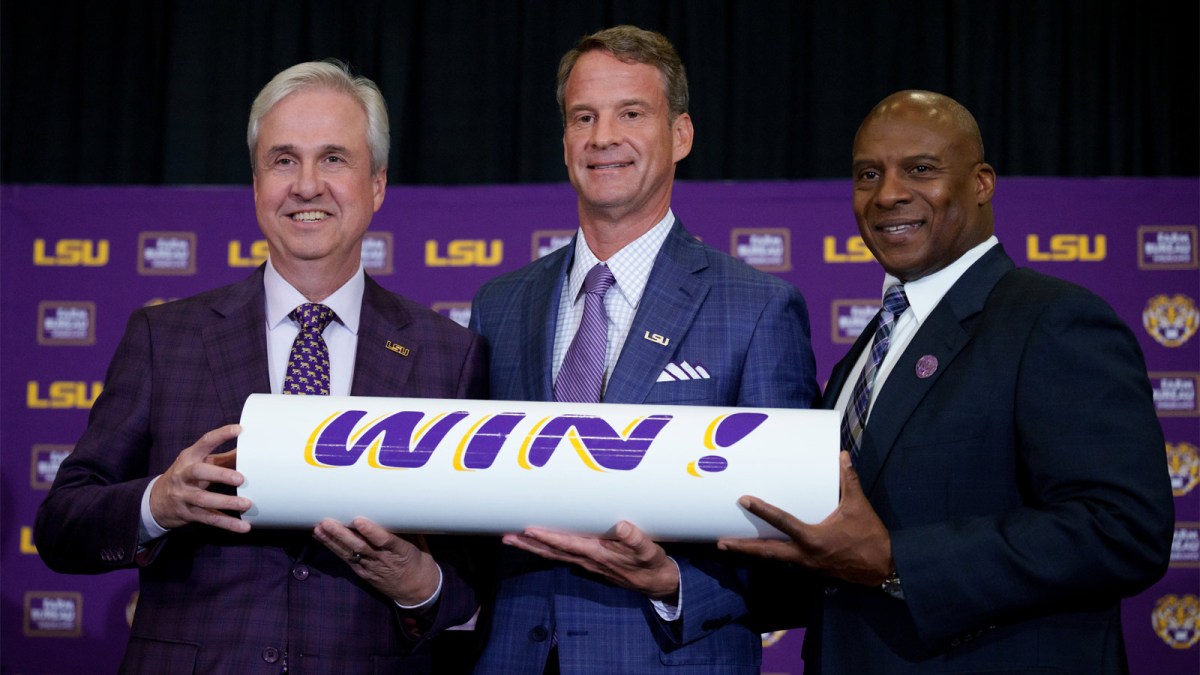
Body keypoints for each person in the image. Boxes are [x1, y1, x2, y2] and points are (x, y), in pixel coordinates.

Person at [35, 60, 488, 674]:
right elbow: (62, 527)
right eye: (283, 160)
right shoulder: (163, 337)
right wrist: (158, 502)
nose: (306, 185)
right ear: (255, 185)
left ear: (377, 185)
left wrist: (419, 582)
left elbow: (480, 589)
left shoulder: (448, 354)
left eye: (334, 159)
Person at [719, 90, 1174, 672]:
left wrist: (896, 562)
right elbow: (832, 562)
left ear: (981, 182)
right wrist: (674, 584)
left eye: (921, 169)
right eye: (868, 174)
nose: (887, 194)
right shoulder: (865, 352)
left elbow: (1123, 529)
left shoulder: (1052, 320)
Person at [467, 25, 819, 674]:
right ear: (566, 137)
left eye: (631, 113)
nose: (603, 137)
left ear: (680, 135)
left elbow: (796, 545)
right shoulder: (500, 305)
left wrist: (672, 582)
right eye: (584, 117)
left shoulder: (758, 308)